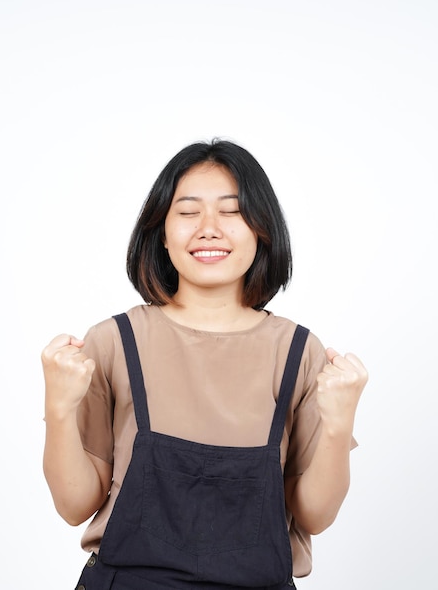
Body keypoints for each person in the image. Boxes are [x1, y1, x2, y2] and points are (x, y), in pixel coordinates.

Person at [41, 139, 368, 590]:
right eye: (189, 211)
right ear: (161, 230)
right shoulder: (116, 341)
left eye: (231, 211)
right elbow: (74, 505)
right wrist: (58, 409)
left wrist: (338, 423)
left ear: (262, 229)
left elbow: (316, 515)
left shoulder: (298, 352)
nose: (209, 229)